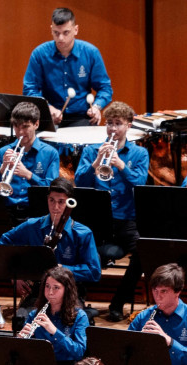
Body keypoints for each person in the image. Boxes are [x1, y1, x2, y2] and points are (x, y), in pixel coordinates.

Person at [75, 101, 150, 322]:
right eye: (110, 124)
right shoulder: (91, 151)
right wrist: (97, 161)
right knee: (77, 246)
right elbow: (79, 181)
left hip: (127, 220)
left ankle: (118, 303)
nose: (113, 129)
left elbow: (140, 183)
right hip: (98, 221)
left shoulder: (139, 153)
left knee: (143, 253)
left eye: (118, 124)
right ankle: (78, 302)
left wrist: (121, 165)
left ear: (129, 125)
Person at [0, 178, 101, 303]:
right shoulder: (32, 225)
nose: (55, 207)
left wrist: (61, 269)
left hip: (69, 291)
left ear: (69, 202)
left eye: (61, 202)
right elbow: (5, 240)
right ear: (47, 199)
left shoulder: (83, 233)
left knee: (67, 319)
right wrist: (15, 274)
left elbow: (94, 272)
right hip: (39, 290)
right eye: (52, 200)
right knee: (24, 319)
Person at [12, 267, 88, 365]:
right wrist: (23, 341)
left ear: (67, 290)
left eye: (56, 288)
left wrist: (54, 331)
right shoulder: (35, 314)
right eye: (47, 286)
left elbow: (79, 351)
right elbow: (26, 352)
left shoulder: (79, 316)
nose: (50, 292)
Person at [23, 7, 113, 127]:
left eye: (66, 32)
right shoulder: (39, 54)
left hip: (82, 117)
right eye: (56, 33)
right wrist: (49, 109)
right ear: (51, 29)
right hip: (50, 117)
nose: (60, 38)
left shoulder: (91, 53)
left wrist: (96, 107)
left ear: (76, 29)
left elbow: (105, 88)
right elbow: (30, 89)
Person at [0, 102, 60, 210]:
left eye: (25, 126)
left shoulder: (50, 153)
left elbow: (53, 191)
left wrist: (29, 175)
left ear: (36, 124)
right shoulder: (3, 152)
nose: (20, 132)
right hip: (6, 210)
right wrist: (2, 169)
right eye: (16, 126)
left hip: (36, 212)